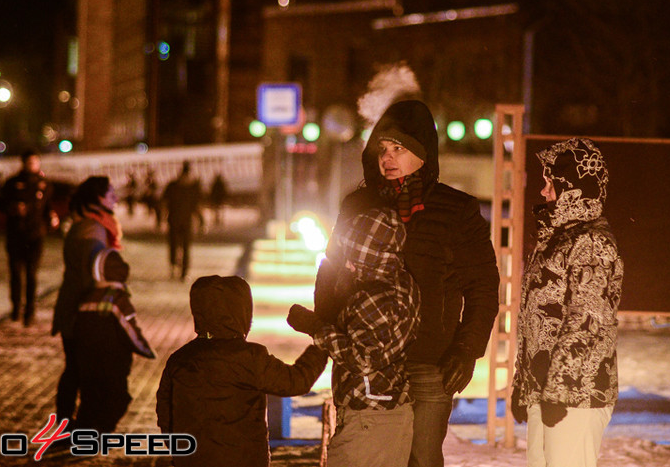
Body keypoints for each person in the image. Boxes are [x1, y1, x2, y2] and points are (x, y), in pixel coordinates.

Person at [324, 99, 500, 467]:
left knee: (420, 459)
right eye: (382, 149)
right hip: (368, 364)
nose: (387, 158)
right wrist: (328, 332)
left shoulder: (457, 211)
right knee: (368, 455)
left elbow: (482, 286)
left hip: (429, 362)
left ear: (423, 153)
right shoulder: (357, 205)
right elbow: (330, 274)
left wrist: (466, 350)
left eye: (398, 149)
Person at [511, 138, 623, 467]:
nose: (544, 192)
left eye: (550, 183)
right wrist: (525, 386)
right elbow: (536, 321)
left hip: (576, 395)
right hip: (547, 392)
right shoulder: (559, 239)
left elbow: (588, 320)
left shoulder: (591, 242)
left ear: (573, 188)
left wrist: (559, 391)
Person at [287, 206, 421, 467]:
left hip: (367, 418)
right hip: (392, 412)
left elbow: (362, 359)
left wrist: (315, 327)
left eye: (355, 258)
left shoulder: (372, 298)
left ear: (371, 257)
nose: (348, 264)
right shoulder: (404, 283)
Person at [156, 275, 327, 467]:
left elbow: (165, 409)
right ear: (242, 312)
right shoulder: (249, 357)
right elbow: (296, 381)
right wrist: (321, 346)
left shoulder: (180, 359)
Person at [51, 176, 123, 427]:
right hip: (81, 314)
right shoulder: (92, 230)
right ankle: (75, 425)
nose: (115, 197)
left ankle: (67, 422)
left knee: (75, 370)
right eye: (110, 193)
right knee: (82, 371)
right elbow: (92, 277)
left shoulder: (88, 225)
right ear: (98, 198)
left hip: (75, 309)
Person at [0, 149, 59, 326]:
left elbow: (48, 207)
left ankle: (30, 311)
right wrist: (12, 208)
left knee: (32, 274)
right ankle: (16, 308)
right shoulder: (12, 183)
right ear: (23, 163)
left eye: (35, 162)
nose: (32, 165)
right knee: (16, 274)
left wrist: (51, 220)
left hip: (35, 235)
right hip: (15, 235)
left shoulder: (45, 185)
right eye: (29, 162)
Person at [162, 161, 203, 280]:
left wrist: (162, 219)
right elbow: (197, 206)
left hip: (174, 220)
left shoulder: (173, 185)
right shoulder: (192, 187)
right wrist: (201, 221)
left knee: (175, 245)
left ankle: (176, 268)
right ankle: (182, 272)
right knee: (184, 246)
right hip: (185, 221)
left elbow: (164, 203)